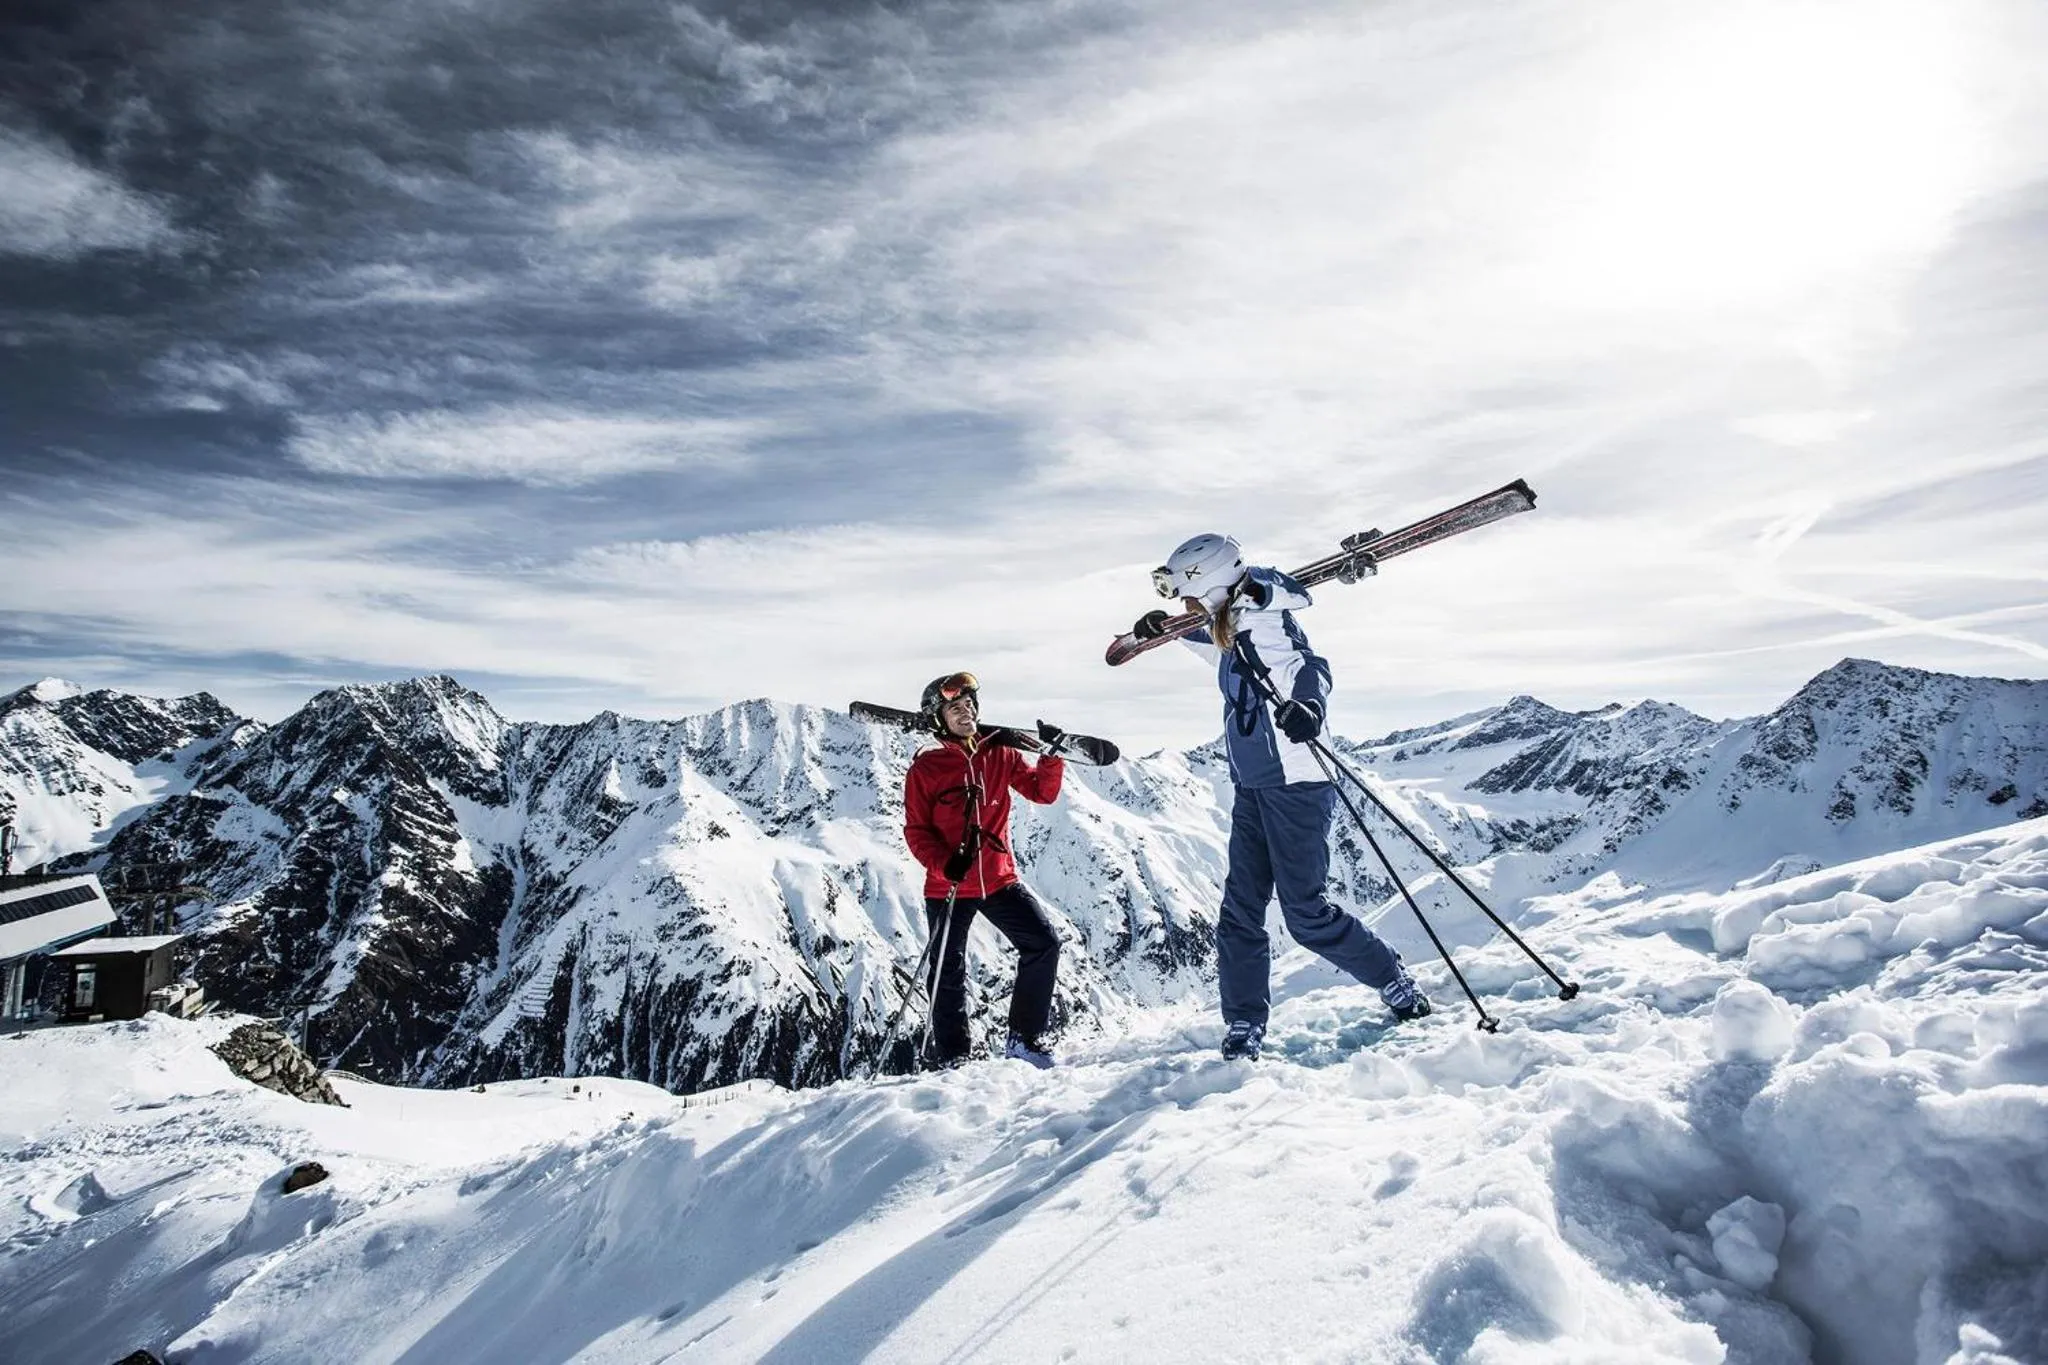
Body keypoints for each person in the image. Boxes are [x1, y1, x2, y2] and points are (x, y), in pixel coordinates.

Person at [1133, 534, 1429, 1060]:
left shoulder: (1265, 618)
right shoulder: (1233, 624)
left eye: (1185, 595)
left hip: (1296, 783)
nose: (1181, 605)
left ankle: (1390, 976)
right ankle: (1244, 1021)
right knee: (1239, 912)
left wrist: (1309, 707)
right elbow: (1220, 646)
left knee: (1305, 913)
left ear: (1212, 584)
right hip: (1252, 784)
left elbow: (1312, 666)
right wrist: (1169, 634)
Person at [901, 671, 1065, 1069]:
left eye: (970, 704)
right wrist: (944, 863)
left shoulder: (1000, 754)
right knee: (947, 971)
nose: (966, 711)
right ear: (940, 719)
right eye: (955, 707)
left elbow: (1041, 793)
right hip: (949, 885)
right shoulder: (926, 769)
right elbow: (916, 831)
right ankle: (954, 1056)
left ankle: (1024, 1039)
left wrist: (1051, 756)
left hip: (998, 879)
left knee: (1043, 943)